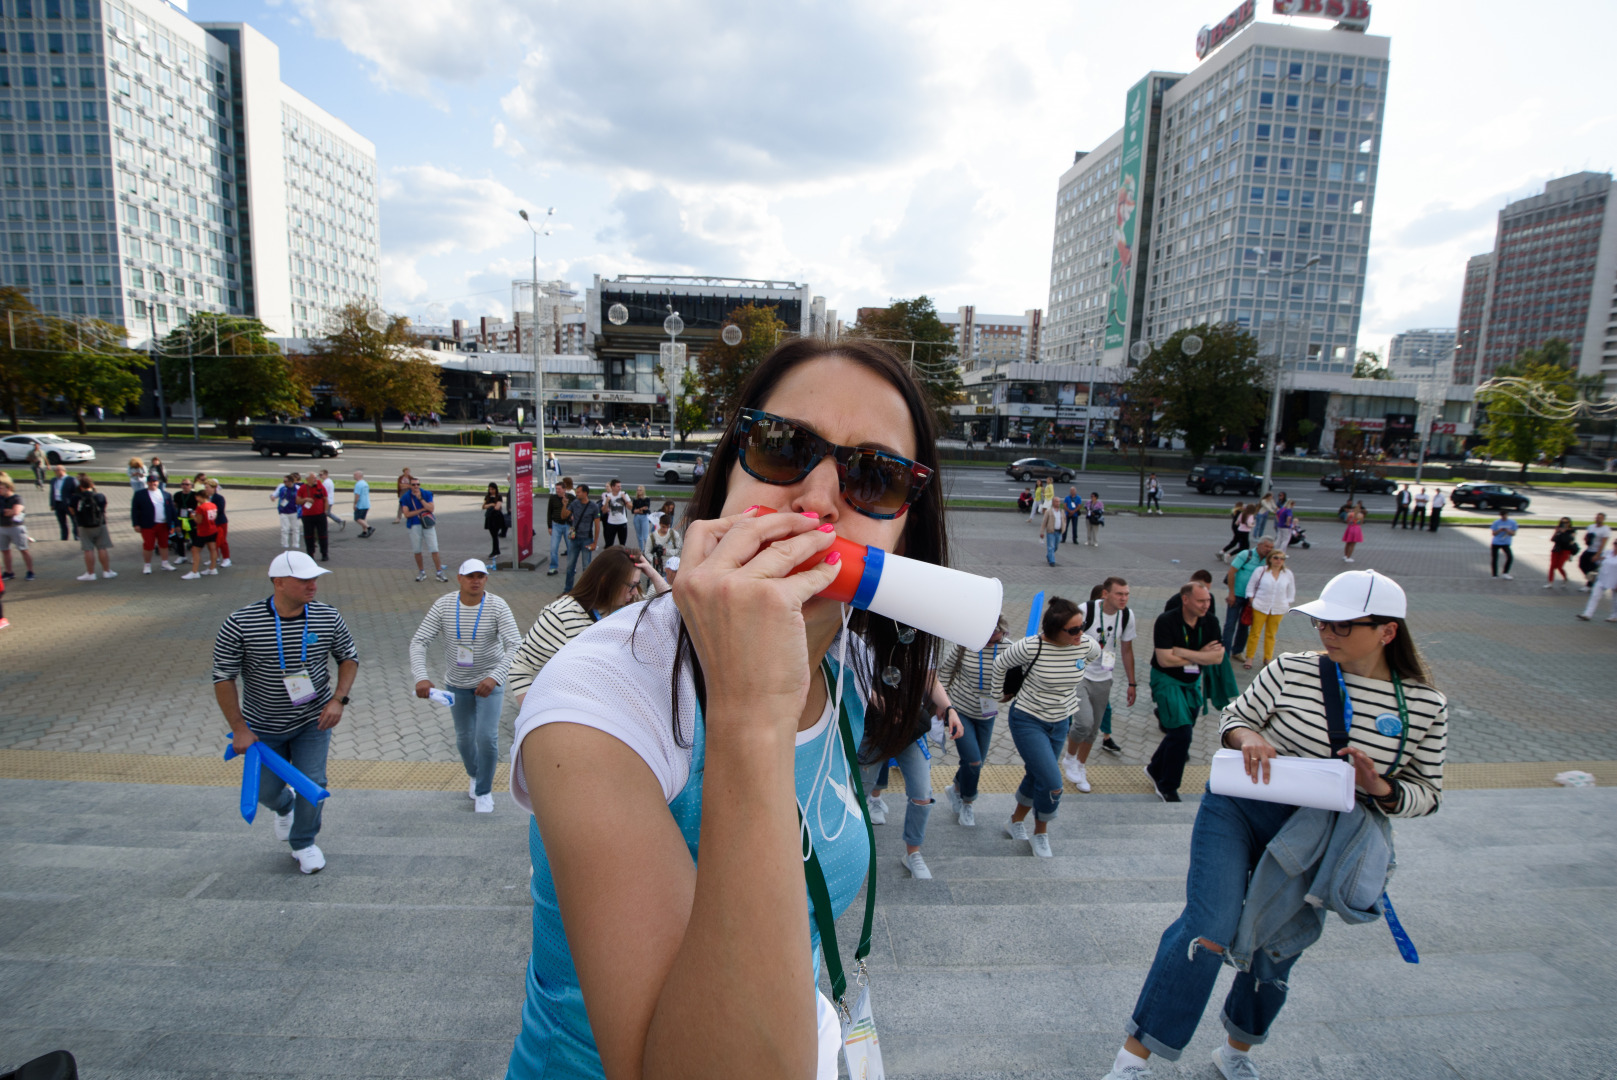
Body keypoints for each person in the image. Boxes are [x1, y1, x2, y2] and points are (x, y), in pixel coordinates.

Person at [503, 338, 944, 1078]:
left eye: (874, 476)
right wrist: (750, 708)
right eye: (782, 447)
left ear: (903, 525)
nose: (817, 499)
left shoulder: (853, 662)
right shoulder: (595, 702)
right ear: (727, 472)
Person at [1102, 569, 1447, 1080]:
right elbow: (1233, 718)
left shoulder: (1423, 705)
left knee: (1278, 947)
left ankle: (1236, 1053)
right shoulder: (1292, 669)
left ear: (1387, 632)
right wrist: (1247, 739)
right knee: (1209, 928)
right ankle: (1133, 1060)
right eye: (1321, 623)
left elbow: (1429, 793)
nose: (1326, 633)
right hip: (1241, 807)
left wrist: (1381, 789)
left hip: (1319, 835)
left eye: (1342, 626)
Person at [211, 551, 360, 876]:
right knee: (265, 791)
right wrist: (238, 727)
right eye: (304, 580)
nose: (313, 585)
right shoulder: (241, 622)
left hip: (313, 721)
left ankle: (304, 842)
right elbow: (223, 676)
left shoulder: (327, 616)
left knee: (313, 782)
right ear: (279, 583)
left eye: (315, 578)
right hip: (262, 727)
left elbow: (349, 657)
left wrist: (338, 700)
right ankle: (284, 806)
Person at [990, 596, 1102, 857]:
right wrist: (998, 694)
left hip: (1061, 721)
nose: (1080, 633)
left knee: (1037, 772)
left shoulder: (1085, 644)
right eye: (1073, 630)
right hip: (1028, 719)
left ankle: (1015, 821)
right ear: (1054, 630)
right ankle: (1041, 833)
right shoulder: (1031, 646)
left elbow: (1096, 654)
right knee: (1052, 782)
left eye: (1082, 626)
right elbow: (1000, 664)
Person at [410, 559, 523, 813]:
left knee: (486, 737)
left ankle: (484, 790)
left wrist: (495, 677)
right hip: (456, 684)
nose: (476, 581)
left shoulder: (497, 605)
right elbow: (419, 641)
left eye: (481, 576)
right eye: (470, 576)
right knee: (464, 738)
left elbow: (516, 644)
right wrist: (420, 676)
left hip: (488, 683)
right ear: (459, 578)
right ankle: (474, 774)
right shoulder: (444, 605)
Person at [862, 667, 960, 880]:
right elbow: (850, 671)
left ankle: (913, 853)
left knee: (922, 795)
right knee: (858, 794)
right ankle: (852, 847)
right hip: (873, 728)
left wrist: (949, 708)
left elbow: (928, 674)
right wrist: (879, 702)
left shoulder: (919, 635)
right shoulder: (864, 635)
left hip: (910, 729)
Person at [1144, 582, 1225, 803]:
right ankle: (1167, 786)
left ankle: (1153, 768)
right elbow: (1164, 659)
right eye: (1200, 601)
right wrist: (1200, 654)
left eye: (1208, 600)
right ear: (1185, 599)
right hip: (1166, 679)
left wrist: (1182, 652)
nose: (1205, 605)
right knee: (1182, 732)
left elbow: (1217, 657)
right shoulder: (1166, 621)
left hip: (1191, 682)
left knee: (1181, 729)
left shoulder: (1211, 621)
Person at [1061, 578, 1137, 792]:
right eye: (1119, 594)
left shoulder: (1127, 616)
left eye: (1126, 594)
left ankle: (1080, 766)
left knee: (1094, 728)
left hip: (1104, 676)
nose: (1124, 598)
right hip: (1080, 673)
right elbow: (1065, 634)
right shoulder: (1087, 610)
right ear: (1106, 594)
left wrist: (1132, 682)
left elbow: (1127, 649)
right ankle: (1069, 757)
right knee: (1084, 722)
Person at [939, 616, 1008, 826]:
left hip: (988, 714)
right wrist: (943, 705)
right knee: (974, 761)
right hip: (961, 711)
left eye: (999, 636)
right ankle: (967, 803)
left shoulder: (1010, 649)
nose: (996, 640)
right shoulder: (965, 645)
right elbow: (945, 671)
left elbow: (1019, 677)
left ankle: (956, 787)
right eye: (991, 636)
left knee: (975, 762)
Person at [1241, 549, 1295, 669]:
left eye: (1282, 558)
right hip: (1260, 605)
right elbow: (1251, 585)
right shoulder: (1261, 571)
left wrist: (1288, 602)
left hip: (1278, 607)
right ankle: (1250, 657)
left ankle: (1268, 658)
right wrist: (1251, 599)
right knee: (1255, 633)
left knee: (1271, 634)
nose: (1279, 561)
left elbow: (1291, 590)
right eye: (1276, 558)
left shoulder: (1287, 573)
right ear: (1270, 559)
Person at [1223, 537, 1273, 656]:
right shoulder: (1246, 554)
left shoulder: (1269, 560)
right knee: (1230, 624)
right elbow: (1231, 573)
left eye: (1271, 547)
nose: (1268, 549)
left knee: (1244, 625)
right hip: (1237, 595)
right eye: (1266, 546)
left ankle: (1238, 651)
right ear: (1259, 545)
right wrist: (1231, 593)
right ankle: (1225, 652)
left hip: (1253, 598)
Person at [399, 478, 446, 582]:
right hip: (414, 525)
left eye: (418, 484)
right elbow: (406, 514)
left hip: (427, 524)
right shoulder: (406, 497)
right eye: (414, 484)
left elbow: (431, 508)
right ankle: (421, 572)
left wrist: (421, 499)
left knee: (434, 548)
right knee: (417, 550)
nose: (416, 486)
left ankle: (439, 572)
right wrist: (422, 510)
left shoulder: (426, 494)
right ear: (410, 486)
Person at [130, 474, 177, 574]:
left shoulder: (166, 494)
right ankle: (147, 565)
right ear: (147, 483)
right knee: (148, 545)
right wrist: (136, 524)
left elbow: (172, 510)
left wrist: (175, 524)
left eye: (154, 482)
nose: (153, 484)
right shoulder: (140, 494)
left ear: (158, 483)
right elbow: (134, 510)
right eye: (150, 482)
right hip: (148, 524)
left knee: (164, 544)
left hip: (163, 524)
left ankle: (165, 563)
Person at [71, 477, 116, 581]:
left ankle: (90, 573)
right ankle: (106, 571)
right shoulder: (99, 496)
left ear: (80, 486)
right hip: (100, 524)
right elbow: (103, 508)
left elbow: (72, 510)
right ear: (92, 485)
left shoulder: (76, 498)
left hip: (83, 525)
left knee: (88, 549)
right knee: (102, 548)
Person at [563, 482, 601, 590]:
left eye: (578, 492)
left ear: (585, 493)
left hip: (587, 540)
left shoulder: (594, 506)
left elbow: (597, 525)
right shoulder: (574, 503)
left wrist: (595, 543)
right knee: (570, 566)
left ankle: (586, 590)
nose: (576, 494)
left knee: (586, 567)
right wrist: (565, 504)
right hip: (574, 539)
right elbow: (564, 515)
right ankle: (567, 589)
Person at [1577, 543, 1617, 622]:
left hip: (1615, 580)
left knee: (1615, 599)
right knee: (1595, 595)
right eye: (1615, 543)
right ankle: (1587, 614)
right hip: (1602, 578)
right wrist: (1597, 559)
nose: (1615, 545)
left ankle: (1614, 616)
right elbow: (1598, 563)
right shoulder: (1608, 552)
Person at [297, 472, 331, 564]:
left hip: (320, 515)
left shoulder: (321, 487)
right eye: (313, 478)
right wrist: (305, 499)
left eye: (315, 478)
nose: (315, 479)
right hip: (307, 516)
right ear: (308, 479)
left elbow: (325, 499)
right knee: (308, 536)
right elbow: (297, 501)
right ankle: (310, 554)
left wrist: (325, 511)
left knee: (323, 535)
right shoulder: (303, 488)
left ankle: (324, 554)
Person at [545, 477, 574, 576]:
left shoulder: (571, 498)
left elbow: (575, 510)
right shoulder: (552, 498)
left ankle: (571, 567)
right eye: (556, 489)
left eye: (559, 489)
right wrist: (549, 526)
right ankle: (553, 567)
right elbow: (549, 512)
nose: (557, 491)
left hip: (569, 526)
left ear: (564, 489)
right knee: (553, 548)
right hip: (556, 525)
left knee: (571, 547)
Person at [48, 463, 79, 542]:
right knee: (62, 522)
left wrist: (73, 504)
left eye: (57, 470)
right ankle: (64, 538)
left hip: (69, 504)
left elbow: (77, 492)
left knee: (74, 521)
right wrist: (52, 504)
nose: (55, 472)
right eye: (55, 471)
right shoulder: (53, 480)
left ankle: (77, 537)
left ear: (63, 471)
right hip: (58, 504)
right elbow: (52, 492)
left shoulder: (71, 479)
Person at [1580, 513, 1611, 592]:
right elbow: (1586, 536)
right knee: (1582, 564)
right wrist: (1586, 539)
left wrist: (1597, 555)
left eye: (1600, 518)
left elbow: (1603, 543)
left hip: (1596, 551)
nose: (1598, 519)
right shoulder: (1591, 526)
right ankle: (1594, 580)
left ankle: (1589, 585)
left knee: (1591, 569)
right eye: (1597, 517)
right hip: (1589, 549)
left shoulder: (1605, 529)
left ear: (1603, 519)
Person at [272, 473, 302, 550]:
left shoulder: (297, 488)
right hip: (284, 512)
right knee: (284, 529)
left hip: (294, 511)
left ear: (291, 481)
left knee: (295, 529)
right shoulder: (282, 488)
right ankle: (284, 544)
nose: (284, 482)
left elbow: (302, 497)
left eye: (286, 481)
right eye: (284, 481)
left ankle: (296, 544)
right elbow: (275, 494)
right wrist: (272, 497)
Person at [206, 479, 232, 568]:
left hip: (220, 522)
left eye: (208, 487)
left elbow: (220, 510)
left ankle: (226, 559)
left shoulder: (219, 498)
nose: (206, 489)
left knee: (221, 541)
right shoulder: (206, 498)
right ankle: (215, 558)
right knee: (212, 541)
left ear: (213, 488)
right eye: (205, 487)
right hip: (211, 523)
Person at [648, 507, 682, 574]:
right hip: (658, 568)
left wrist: (666, 552)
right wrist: (653, 559)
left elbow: (680, 550)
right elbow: (648, 552)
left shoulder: (674, 535)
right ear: (659, 524)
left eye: (667, 527)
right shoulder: (653, 536)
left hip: (671, 568)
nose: (665, 529)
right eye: (663, 527)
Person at [1548, 517, 1578, 588]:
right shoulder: (1559, 529)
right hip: (1556, 549)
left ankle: (1565, 578)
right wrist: (1556, 532)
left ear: (1569, 523)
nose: (1564, 524)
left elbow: (1571, 540)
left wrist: (1564, 532)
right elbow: (1552, 539)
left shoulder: (1572, 531)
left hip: (1566, 550)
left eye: (1566, 522)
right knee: (1552, 566)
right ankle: (1550, 582)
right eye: (1563, 522)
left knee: (1559, 566)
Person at [601, 478, 631, 548]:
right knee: (609, 544)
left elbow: (630, 507)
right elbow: (603, 510)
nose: (620, 488)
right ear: (612, 487)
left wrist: (625, 499)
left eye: (620, 486)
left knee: (622, 544)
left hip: (622, 522)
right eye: (618, 486)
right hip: (611, 523)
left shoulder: (624, 494)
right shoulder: (608, 496)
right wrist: (606, 502)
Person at [1489, 507, 1517, 579]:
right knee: (1495, 558)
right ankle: (1494, 574)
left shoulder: (1512, 522)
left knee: (1510, 557)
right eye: (1502, 516)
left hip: (1506, 543)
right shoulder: (1496, 522)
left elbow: (1513, 533)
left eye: (1505, 515)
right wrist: (1500, 530)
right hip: (1496, 542)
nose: (1504, 517)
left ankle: (1505, 572)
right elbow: (1494, 533)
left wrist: (1507, 530)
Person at [482, 482, 506, 561]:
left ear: (496, 489)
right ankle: (496, 550)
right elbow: (483, 506)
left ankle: (495, 551)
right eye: (490, 489)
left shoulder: (498, 497)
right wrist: (491, 504)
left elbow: (497, 507)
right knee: (493, 535)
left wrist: (491, 505)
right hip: (489, 517)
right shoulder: (488, 497)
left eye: (492, 489)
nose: (491, 491)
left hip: (497, 518)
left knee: (495, 535)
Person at [1039, 498, 1062, 566]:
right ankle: (1052, 561)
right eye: (1056, 502)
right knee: (1051, 546)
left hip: (1059, 531)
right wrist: (1042, 532)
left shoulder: (1061, 511)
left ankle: (1049, 555)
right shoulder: (1048, 512)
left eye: (1058, 502)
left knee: (1056, 547)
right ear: (1053, 503)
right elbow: (1044, 522)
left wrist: (1063, 528)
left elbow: (1063, 520)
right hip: (1051, 531)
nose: (1058, 503)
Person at [351, 471, 373, 539]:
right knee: (363, 518)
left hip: (361, 504)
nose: (353, 476)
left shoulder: (358, 484)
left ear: (358, 476)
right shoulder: (365, 483)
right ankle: (364, 531)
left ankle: (369, 528)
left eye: (355, 475)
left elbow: (357, 495)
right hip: (366, 503)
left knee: (357, 518)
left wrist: (355, 504)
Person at [631, 484, 653, 550]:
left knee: (646, 536)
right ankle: (641, 549)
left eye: (640, 490)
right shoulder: (635, 500)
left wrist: (638, 510)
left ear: (643, 491)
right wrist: (640, 509)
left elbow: (646, 508)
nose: (639, 491)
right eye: (638, 490)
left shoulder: (646, 499)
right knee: (639, 536)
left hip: (644, 517)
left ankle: (647, 550)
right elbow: (633, 511)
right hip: (637, 517)